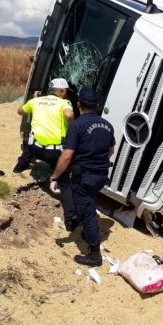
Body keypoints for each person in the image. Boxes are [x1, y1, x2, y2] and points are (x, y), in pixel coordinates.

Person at [50, 87, 115, 267]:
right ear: (97, 105)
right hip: (101, 176)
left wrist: (55, 176)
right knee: (88, 202)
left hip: (85, 176)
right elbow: (111, 151)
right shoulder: (107, 125)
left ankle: (94, 255)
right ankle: (89, 231)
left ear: (78, 104)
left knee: (87, 213)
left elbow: (67, 155)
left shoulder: (76, 125)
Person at [13, 78, 77, 230]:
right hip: (53, 153)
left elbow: (20, 111)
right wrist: (71, 126)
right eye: (66, 91)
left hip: (35, 148)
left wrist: (34, 101)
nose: (66, 94)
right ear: (61, 92)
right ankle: (70, 218)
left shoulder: (36, 101)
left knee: (29, 141)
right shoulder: (64, 103)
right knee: (66, 182)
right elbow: (68, 116)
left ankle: (19, 167)